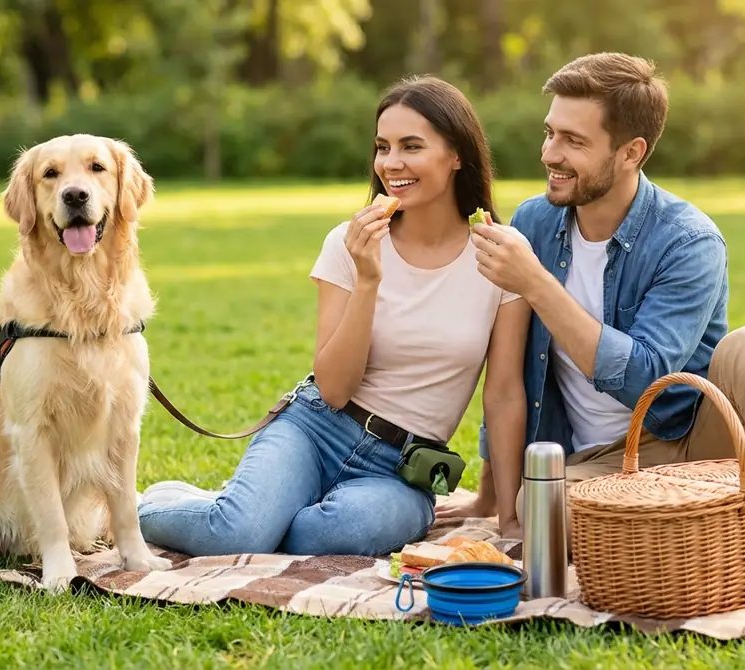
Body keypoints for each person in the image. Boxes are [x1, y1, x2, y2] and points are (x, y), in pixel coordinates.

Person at [445, 52, 745, 600]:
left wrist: (537, 283)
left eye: (573, 141)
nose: (550, 154)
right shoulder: (534, 223)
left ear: (631, 152)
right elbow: (510, 376)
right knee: (543, 517)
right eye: (550, 133)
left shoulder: (688, 240)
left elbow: (644, 377)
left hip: (693, 438)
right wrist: (493, 497)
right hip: (596, 466)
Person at [135, 75, 531, 557]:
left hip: (403, 470)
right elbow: (335, 389)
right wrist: (368, 280)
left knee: (327, 536)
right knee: (237, 535)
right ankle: (143, 508)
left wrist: (508, 517)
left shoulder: (500, 255)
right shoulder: (349, 243)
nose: (390, 163)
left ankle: (252, 508)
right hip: (316, 428)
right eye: (382, 147)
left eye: (411, 146)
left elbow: (504, 395)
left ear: (457, 155)